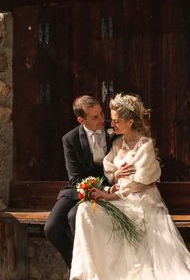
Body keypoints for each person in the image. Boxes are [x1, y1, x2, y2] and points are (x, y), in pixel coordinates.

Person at [70, 93, 190, 280]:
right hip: (121, 197)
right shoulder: (115, 144)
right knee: (84, 209)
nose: (111, 124)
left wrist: (110, 196)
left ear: (130, 122)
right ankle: (91, 272)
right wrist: (115, 177)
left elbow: (140, 183)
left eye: (116, 121)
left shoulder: (144, 145)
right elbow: (110, 172)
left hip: (141, 200)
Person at [45, 95, 136, 267]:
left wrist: (113, 184)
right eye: (95, 117)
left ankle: (92, 269)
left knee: (74, 217)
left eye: (101, 113)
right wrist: (101, 187)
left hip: (111, 188)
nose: (102, 119)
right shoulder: (70, 139)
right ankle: (77, 268)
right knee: (52, 229)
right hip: (78, 189)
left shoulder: (114, 128)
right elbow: (75, 178)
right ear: (81, 120)